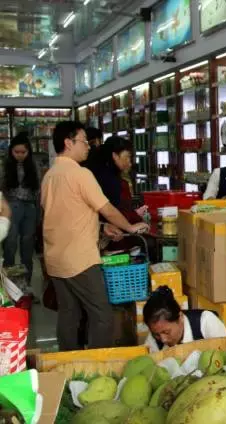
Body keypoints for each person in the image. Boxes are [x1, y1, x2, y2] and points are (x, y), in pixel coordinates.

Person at [41, 121, 149, 351]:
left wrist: (100, 227)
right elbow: (108, 208)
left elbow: (64, 214)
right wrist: (130, 228)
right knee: (102, 314)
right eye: (84, 142)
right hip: (80, 259)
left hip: (55, 259)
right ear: (68, 143)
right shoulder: (81, 174)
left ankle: (68, 362)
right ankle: (98, 364)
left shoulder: (50, 176)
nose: (88, 147)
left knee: (69, 314)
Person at [143, 286, 226, 352]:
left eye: (166, 332)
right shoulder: (154, 338)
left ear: (180, 318)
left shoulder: (206, 322)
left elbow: (225, 353)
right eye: (156, 335)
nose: (163, 339)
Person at [2, 133, 39, 284]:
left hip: (29, 208)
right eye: (16, 152)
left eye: (23, 152)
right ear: (11, 151)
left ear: (28, 151)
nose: (19, 155)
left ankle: (26, 285)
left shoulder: (33, 165)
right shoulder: (4, 165)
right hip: (10, 207)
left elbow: (37, 188)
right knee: (10, 245)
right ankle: (9, 286)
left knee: (27, 246)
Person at [90, 136, 147, 223]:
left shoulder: (97, 172)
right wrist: (134, 218)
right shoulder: (112, 181)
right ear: (115, 156)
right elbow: (114, 213)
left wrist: (134, 213)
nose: (130, 162)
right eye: (127, 156)